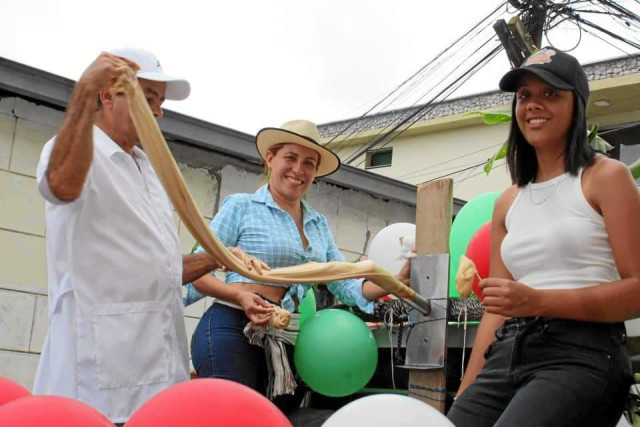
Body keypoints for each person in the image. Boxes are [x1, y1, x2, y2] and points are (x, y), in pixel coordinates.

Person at [33, 48, 256, 424]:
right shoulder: (75, 150)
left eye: (160, 101)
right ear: (105, 95)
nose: (158, 111)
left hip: (157, 378)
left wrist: (221, 256)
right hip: (98, 381)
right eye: (147, 97)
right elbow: (60, 186)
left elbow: (160, 269)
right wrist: (82, 93)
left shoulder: (148, 168)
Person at [447, 48, 640, 426]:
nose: (534, 105)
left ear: (577, 105)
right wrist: (466, 391)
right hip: (508, 353)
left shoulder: (606, 177)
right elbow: (498, 307)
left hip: (582, 353)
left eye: (551, 93)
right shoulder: (508, 202)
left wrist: (537, 300)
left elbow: (637, 291)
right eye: (525, 96)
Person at [186, 119, 411, 414]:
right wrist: (240, 296)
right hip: (233, 324)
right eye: (290, 158)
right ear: (270, 159)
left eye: (309, 163)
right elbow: (197, 273)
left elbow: (346, 285)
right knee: (232, 415)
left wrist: (395, 279)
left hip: (285, 337)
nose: (298, 170)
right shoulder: (241, 206)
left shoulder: (318, 225)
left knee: (274, 418)